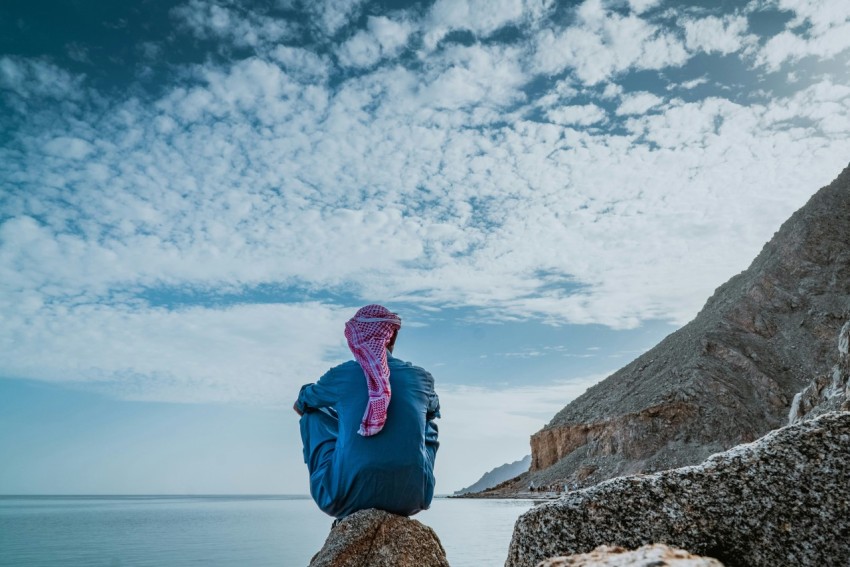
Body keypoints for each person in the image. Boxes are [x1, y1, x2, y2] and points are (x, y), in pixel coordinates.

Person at [294, 304, 440, 519]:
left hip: (344, 497)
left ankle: (342, 472)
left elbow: (300, 405)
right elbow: (433, 411)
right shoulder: (421, 377)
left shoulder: (340, 375)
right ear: (392, 336)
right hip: (413, 497)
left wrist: (340, 421)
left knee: (312, 414)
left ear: (354, 339)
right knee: (428, 422)